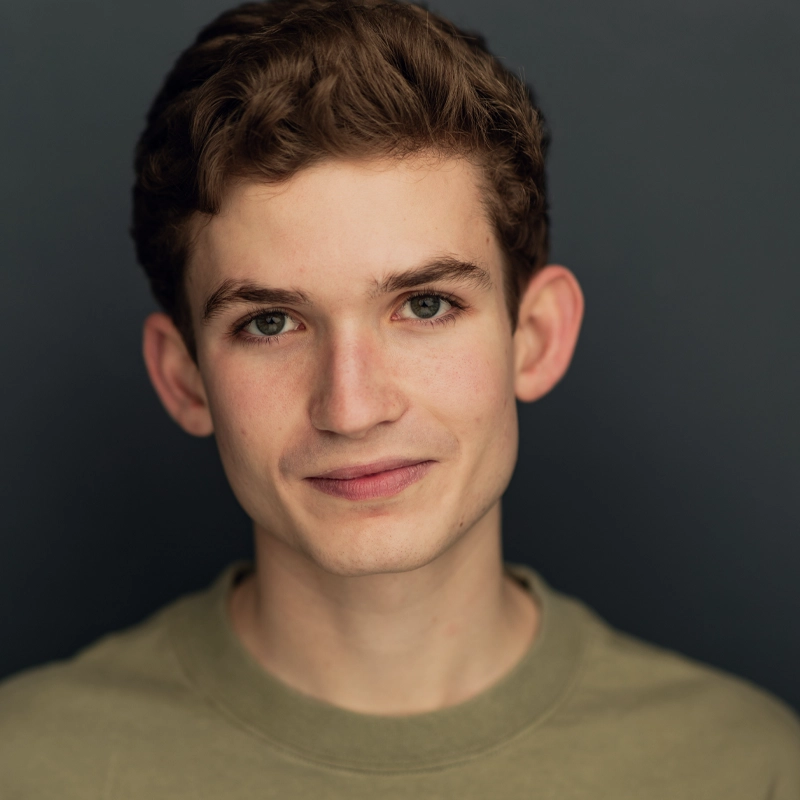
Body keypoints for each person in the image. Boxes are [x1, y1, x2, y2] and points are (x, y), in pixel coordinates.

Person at [1, 0, 798, 796]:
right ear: (183, 378)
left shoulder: (750, 770)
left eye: (425, 306)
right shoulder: (28, 768)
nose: (351, 407)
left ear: (537, 338)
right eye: (271, 322)